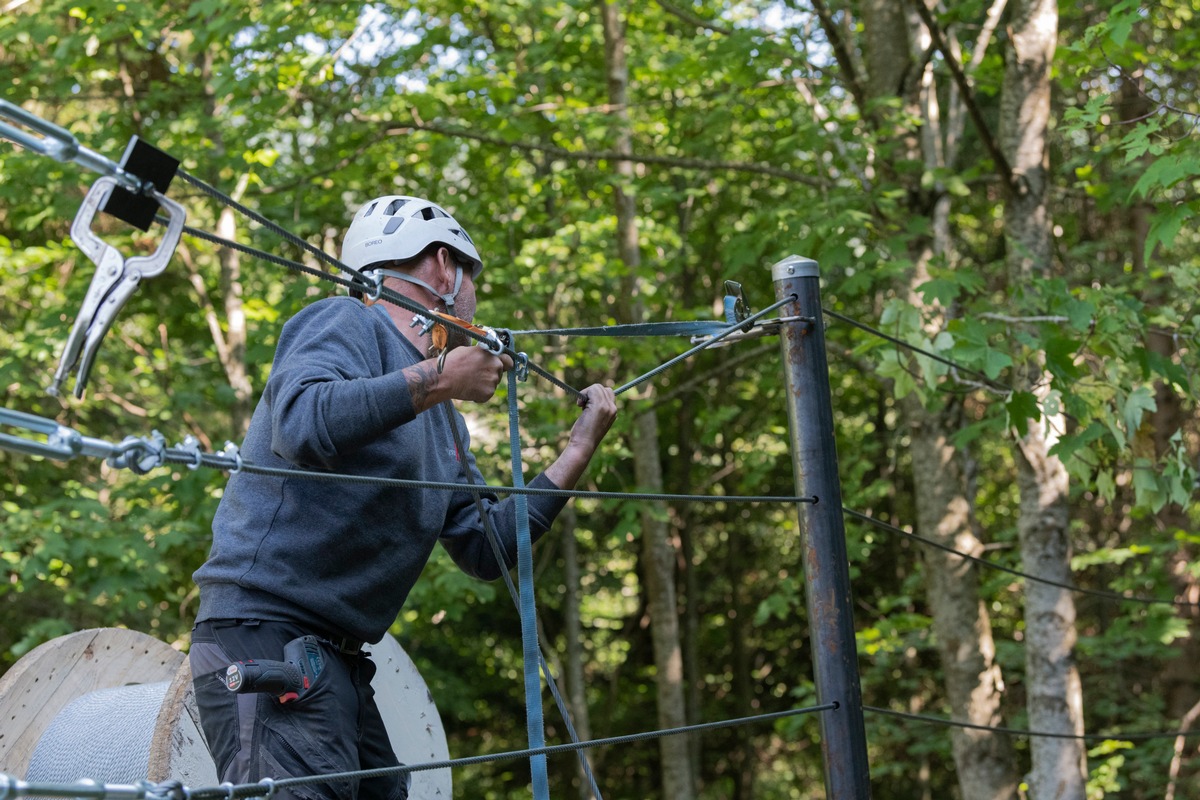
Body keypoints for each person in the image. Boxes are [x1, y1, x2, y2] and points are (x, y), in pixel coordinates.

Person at [189, 195, 617, 800]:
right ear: (445, 267)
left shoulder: (443, 424)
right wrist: (443, 378)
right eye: (472, 276)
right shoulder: (344, 322)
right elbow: (302, 421)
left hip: (334, 657)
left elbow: (485, 548)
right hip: (262, 630)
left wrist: (576, 452)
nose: (474, 297)